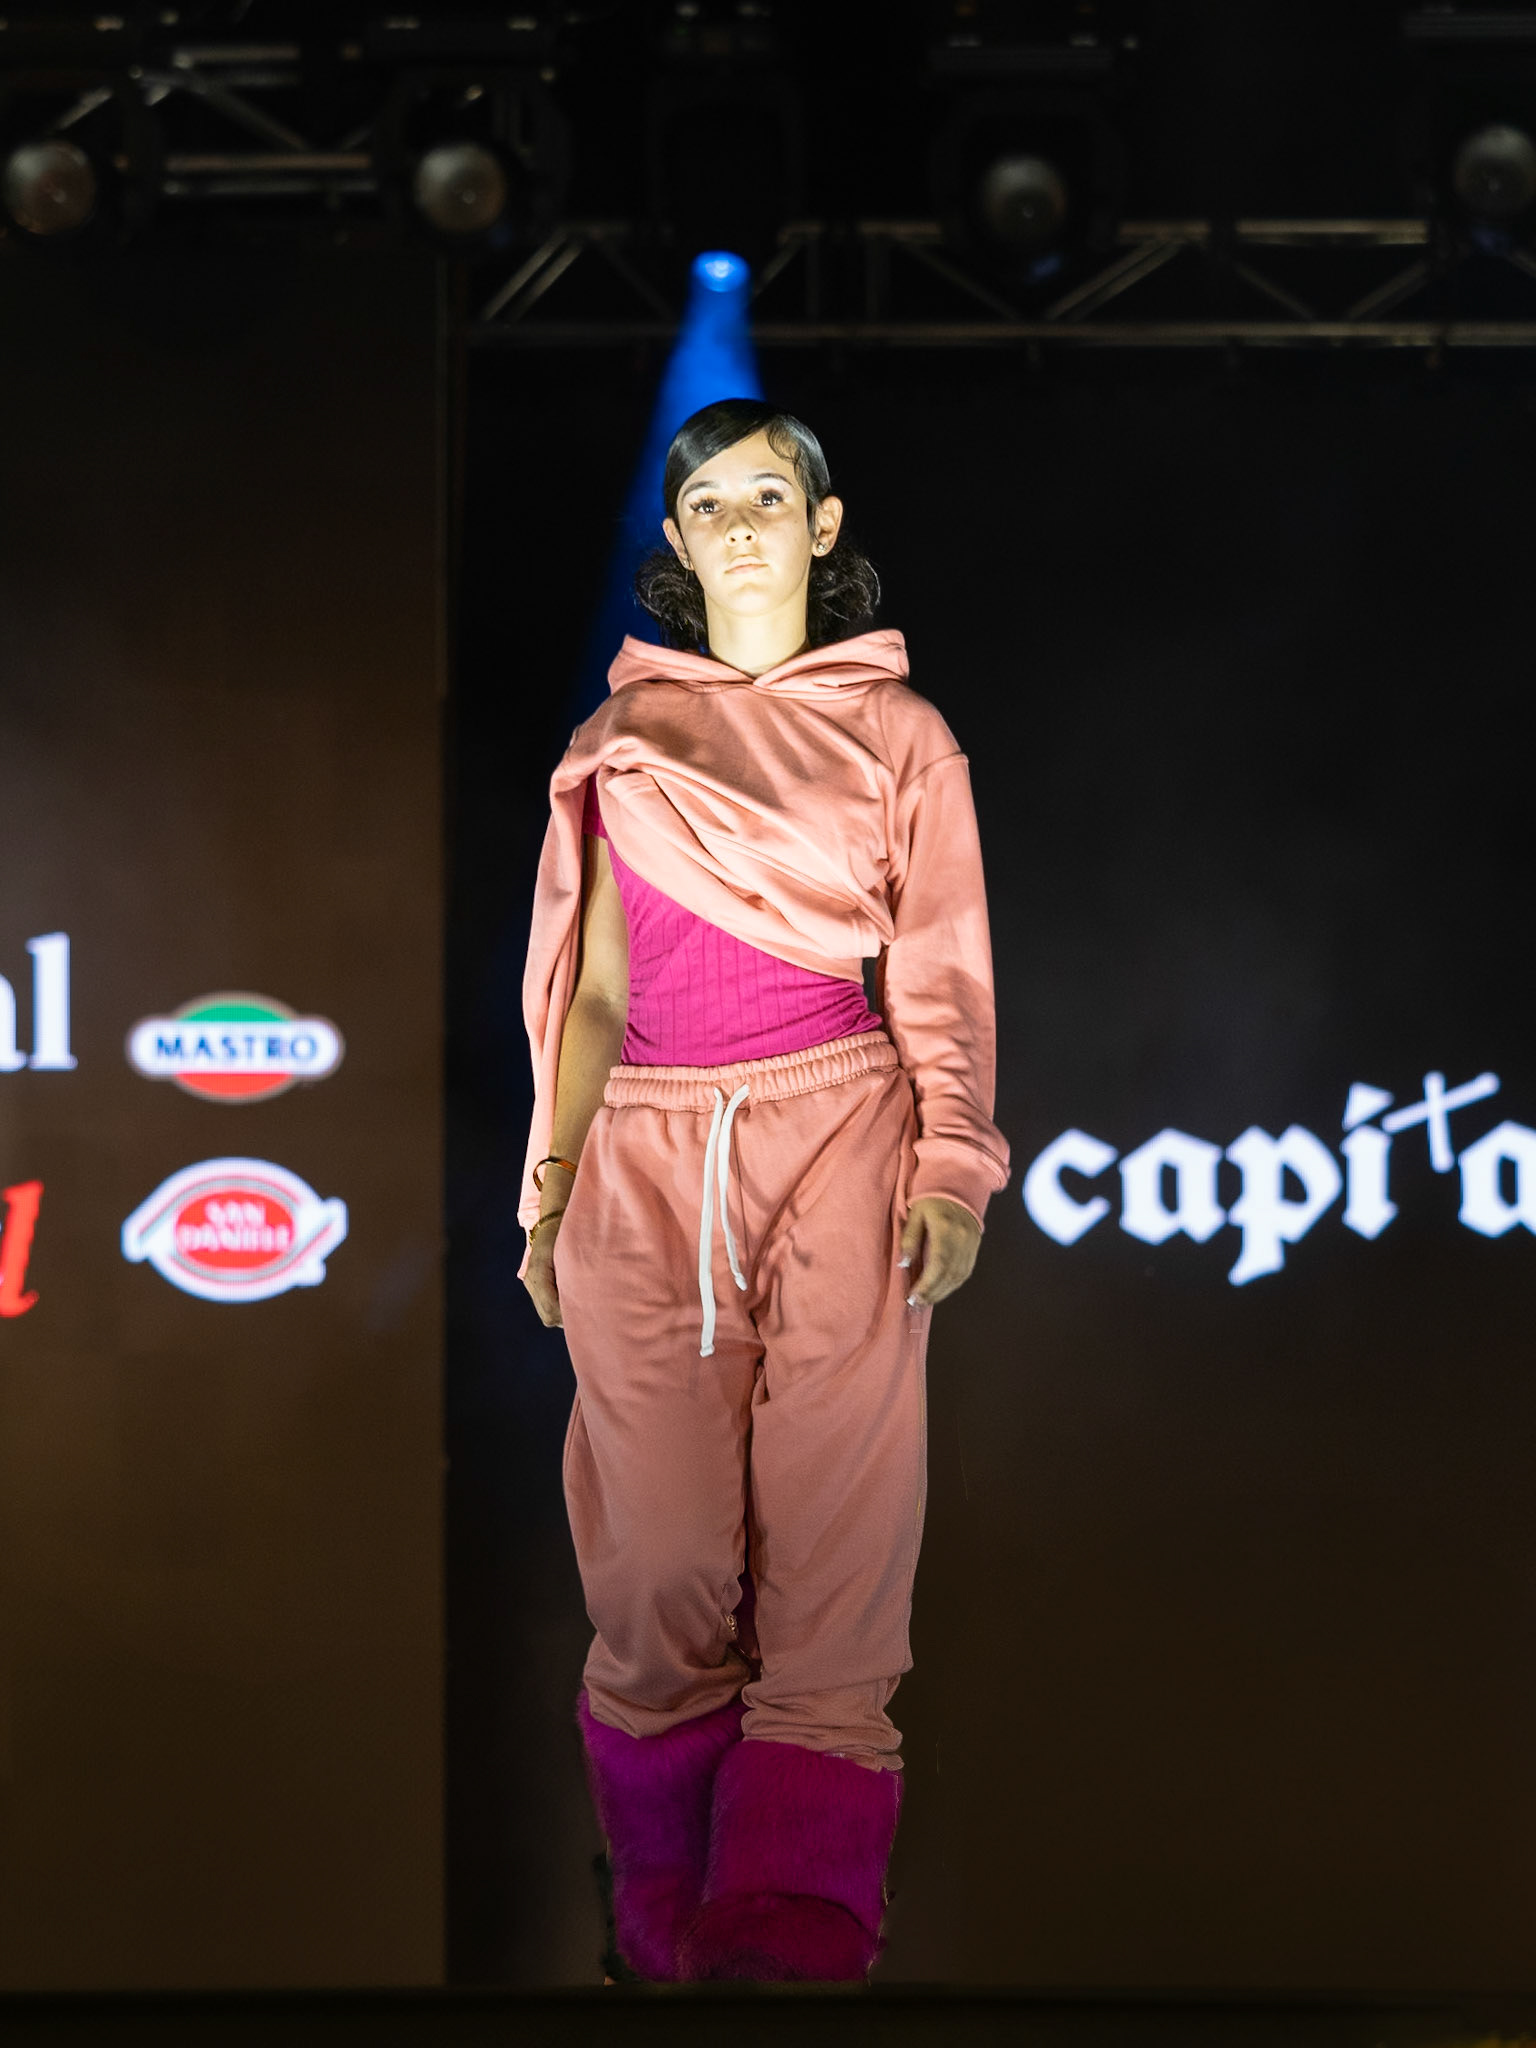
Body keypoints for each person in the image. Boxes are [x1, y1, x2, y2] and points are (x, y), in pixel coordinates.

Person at [518, 396, 1009, 1984]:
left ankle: (791, 1943)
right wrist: (549, 1192)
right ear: (676, 540)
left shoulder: (900, 731)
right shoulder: (620, 740)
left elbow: (940, 967)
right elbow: (592, 993)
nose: (739, 524)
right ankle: (665, 1919)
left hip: (843, 1127)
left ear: (822, 526)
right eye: (710, 502)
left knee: (833, 1557)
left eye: (767, 497)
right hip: (645, 1156)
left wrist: (951, 1167)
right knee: (659, 1565)